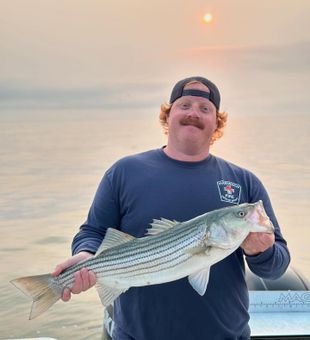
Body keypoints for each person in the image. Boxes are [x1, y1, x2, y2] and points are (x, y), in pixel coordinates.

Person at [53, 76, 290, 340]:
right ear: (168, 116)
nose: (193, 114)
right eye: (184, 105)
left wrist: (263, 251)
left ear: (217, 123)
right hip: (136, 335)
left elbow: (276, 267)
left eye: (205, 109)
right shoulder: (124, 172)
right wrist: (86, 255)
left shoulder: (243, 182)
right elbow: (93, 232)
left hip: (225, 335)